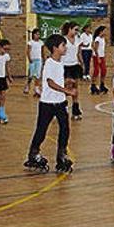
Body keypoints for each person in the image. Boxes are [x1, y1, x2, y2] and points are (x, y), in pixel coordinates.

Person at [23, 34, 77, 174]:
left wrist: (67, 84)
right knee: (41, 130)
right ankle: (33, 154)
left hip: (60, 103)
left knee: (65, 129)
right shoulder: (49, 63)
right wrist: (67, 90)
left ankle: (61, 155)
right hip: (47, 104)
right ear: (55, 48)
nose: (65, 48)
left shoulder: (60, 63)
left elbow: (56, 82)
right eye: (63, 45)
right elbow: (50, 82)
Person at [60, 22, 83, 120]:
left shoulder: (78, 39)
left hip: (75, 65)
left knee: (75, 88)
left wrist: (82, 63)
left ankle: (75, 110)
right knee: (65, 87)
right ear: (69, 29)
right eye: (75, 29)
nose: (77, 32)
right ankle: (63, 108)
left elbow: (79, 53)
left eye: (78, 30)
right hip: (64, 66)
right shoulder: (63, 40)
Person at [24, 28, 44, 96]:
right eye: (36, 34)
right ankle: (27, 86)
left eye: (38, 34)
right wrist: (30, 59)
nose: (37, 35)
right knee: (31, 75)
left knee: (38, 75)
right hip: (32, 60)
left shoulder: (41, 42)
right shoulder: (30, 42)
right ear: (33, 35)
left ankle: (36, 88)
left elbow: (42, 52)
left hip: (39, 60)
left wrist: (43, 59)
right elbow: (28, 51)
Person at [90, 26, 109, 95]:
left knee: (104, 70)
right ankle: (93, 85)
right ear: (101, 31)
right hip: (97, 56)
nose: (106, 32)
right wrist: (98, 57)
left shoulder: (103, 38)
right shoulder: (97, 39)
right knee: (96, 71)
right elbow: (95, 48)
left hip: (102, 56)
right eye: (104, 30)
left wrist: (103, 56)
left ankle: (102, 84)